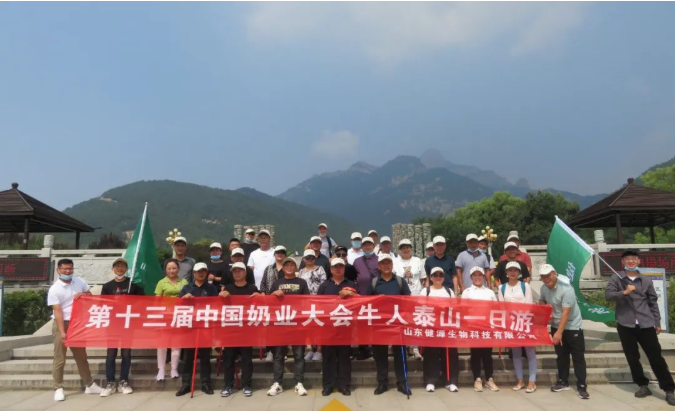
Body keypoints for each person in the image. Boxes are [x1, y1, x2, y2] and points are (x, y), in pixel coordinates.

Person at [605, 250, 675, 405]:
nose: (631, 261)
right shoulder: (616, 278)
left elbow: (652, 302)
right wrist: (624, 292)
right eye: (628, 259)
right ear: (623, 262)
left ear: (638, 261)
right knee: (632, 357)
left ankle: (669, 389)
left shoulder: (646, 280)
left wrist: (657, 322)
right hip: (625, 324)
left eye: (634, 259)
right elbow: (608, 296)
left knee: (656, 357)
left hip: (645, 323)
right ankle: (643, 385)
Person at [48, 258, 103, 401]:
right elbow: (58, 311)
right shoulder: (55, 289)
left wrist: (84, 294)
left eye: (70, 269)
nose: (67, 271)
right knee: (60, 358)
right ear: (58, 270)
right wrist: (62, 332)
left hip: (77, 323)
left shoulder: (79, 281)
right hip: (62, 323)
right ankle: (58, 387)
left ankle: (89, 385)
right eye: (64, 269)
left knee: (81, 357)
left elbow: (90, 296)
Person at [176, 263, 229, 396]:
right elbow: (178, 305)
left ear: (206, 273)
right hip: (190, 327)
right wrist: (183, 299)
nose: (201, 274)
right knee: (187, 358)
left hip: (205, 328)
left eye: (203, 271)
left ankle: (206, 383)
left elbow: (216, 306)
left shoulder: (211, 289)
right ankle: (186, 384)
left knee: (205, 357)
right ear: (194, 273)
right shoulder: (187, 288)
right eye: (198, 271)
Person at [538, 264, 589, 399]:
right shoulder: (543, 287)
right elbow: (542, 299)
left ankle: (582, 385)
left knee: (578, 357)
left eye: (548, 275)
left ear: (554, 273)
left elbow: (566, 313)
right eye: (543, 276)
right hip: (556, 324)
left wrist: (559, 333)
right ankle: (563, 381)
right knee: (561, 356)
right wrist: (543, 305)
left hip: (572, 326)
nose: (546, 278)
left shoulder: (567, 289)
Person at [366, 254, 413, 396]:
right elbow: (366, 302)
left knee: (400, 354)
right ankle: (382, 383)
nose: (386, 265)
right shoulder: (374, 282)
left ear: (392, 265)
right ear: (379, 266)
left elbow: (408, 300)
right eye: (383, 263)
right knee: (380, 355)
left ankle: (402, 383)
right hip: (380, 324)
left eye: (388, 263)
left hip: (397, 323)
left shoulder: (399, 281)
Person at [100, 258, 145, 397]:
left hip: (127, 324)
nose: (119, 268)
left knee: (126, 353)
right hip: (113, 325)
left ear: (126, 269)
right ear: (113, 269)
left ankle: (124, 381)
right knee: (111, 354)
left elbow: (143, 302)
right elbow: (102, 304)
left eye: (122, 266)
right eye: (117, 266)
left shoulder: (133, 285)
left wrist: (130, 302)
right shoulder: (107, 286)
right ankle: (110, 382)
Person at [267, 257, 310, 396]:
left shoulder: (302, 282)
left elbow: (307, 301)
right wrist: (273, 294)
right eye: (287, 265)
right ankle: (277, 383)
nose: (289, 267)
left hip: (297, 324)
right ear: (283, 267)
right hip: (281, 324)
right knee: (279, 355)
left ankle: (299, 383)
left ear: (296, 267)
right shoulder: (277, 283)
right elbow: (268, 302)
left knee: (299, 355)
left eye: (292, 265)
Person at [219, 262, 262, 398]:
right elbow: (219, 305)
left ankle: (246, 385)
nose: (237, 273)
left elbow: (261, 303)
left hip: (247, 331)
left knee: (246, 360)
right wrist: (221, 295)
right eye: (234, 271)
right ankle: (228, 385)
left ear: (245, 273)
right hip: (230, 330)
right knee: (228, 359)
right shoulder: (228, 288)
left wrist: (259, 297)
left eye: (240, 270)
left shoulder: (252, 288)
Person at [317, 258, 358, 396]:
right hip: (328, 327)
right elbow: (317, 305)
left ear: (344, 269)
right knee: (328, 357)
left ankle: (344, 385)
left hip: (345, 326)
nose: (338, 269)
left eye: (341, 266)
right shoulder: (324, 286)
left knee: (344, 357)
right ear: (331, 269)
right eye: (335, 267)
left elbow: (360, 301)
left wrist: (351, 293)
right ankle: (328, 385)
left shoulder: (351, 284)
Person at [497, 262, 537, 393]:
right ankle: (520, 380)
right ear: (506, 273)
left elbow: (529, 306)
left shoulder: (525, 286)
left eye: (515, 270)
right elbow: (502, 308)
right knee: (516, 353)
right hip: (511, 325)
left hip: (525, 323)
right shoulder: (502, 288)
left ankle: (532, 381)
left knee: (530, 352)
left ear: (519, 273)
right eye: (510, 270)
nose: (512, 272)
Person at [421, 267, 458, 393]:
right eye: (435, 275)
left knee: (450, 354)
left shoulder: (449, 291)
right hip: (431, 327)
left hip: (447, 327)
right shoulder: (425, 291)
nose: (438, 277)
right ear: (430, 277)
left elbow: (455, 308)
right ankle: (430, 381)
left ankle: (450, 381)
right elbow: (421, 308)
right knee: (431, 355)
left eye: (440, 275)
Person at [462, 267, 500, 392]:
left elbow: (496, 309)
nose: (477, 277)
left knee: (487, 354)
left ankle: (489, 378)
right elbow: (463, 310)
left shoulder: (489, 292)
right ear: (471, 277)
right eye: (475, 275)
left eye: (480, 275)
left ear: (484, 277)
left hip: (487, 327)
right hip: (473, 327)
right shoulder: (467, 292)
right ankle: (477, 379)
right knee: (475, 354)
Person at [154, 259, 188, 381]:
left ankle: (174, 369)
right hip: (165, 316)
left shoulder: (184, 281)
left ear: (178, 269)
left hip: (179, 316)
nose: (172, 271)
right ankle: (161, 369)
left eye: (174, 268)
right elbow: (157, 300)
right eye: (169, 268)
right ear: (165, 270)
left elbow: (187, 296)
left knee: (176, 344)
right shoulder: (161, 282)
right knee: (162, 344)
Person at [394, 238, 427, 360]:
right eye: (403, 248)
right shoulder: (395, 262)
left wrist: (425, 294)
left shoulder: (417, 261)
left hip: (416, 296)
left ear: (411, 248)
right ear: (399, 250)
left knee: (415, 322)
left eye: (408, 247)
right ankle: (405, 345)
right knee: (403, 321)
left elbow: (424, 279)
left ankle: (415, 347)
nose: (406, 250)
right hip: (401, 297)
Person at [299, 249, 328, 361]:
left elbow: (323, 284)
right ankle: (311, 348)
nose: (310, 259)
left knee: (319, 325)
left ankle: (319, 350)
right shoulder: (301, 271)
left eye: (312, 257)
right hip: (306, 302)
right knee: (309, 326)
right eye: (307, 258)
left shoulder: (320, 269)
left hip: (318, 301)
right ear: (304, 259)